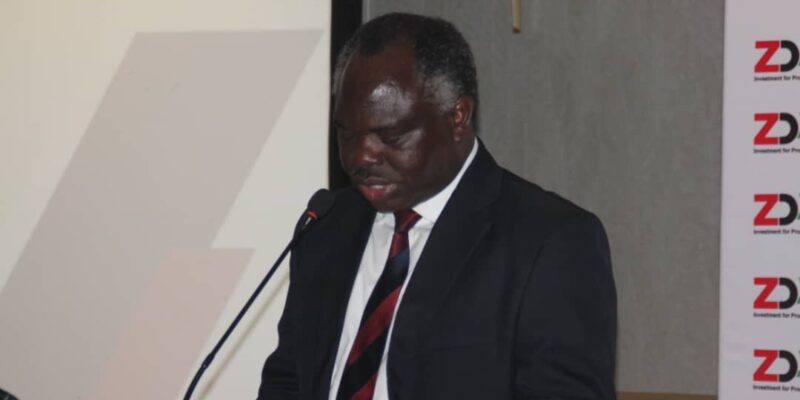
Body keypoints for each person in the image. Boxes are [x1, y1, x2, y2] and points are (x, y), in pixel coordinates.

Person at [258, 12, 616, 400]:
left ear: (458, 117)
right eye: (347, 135)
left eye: (390, 135)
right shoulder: (327, 226)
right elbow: (288, 380)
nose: (362, 156)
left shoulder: (550, 242)